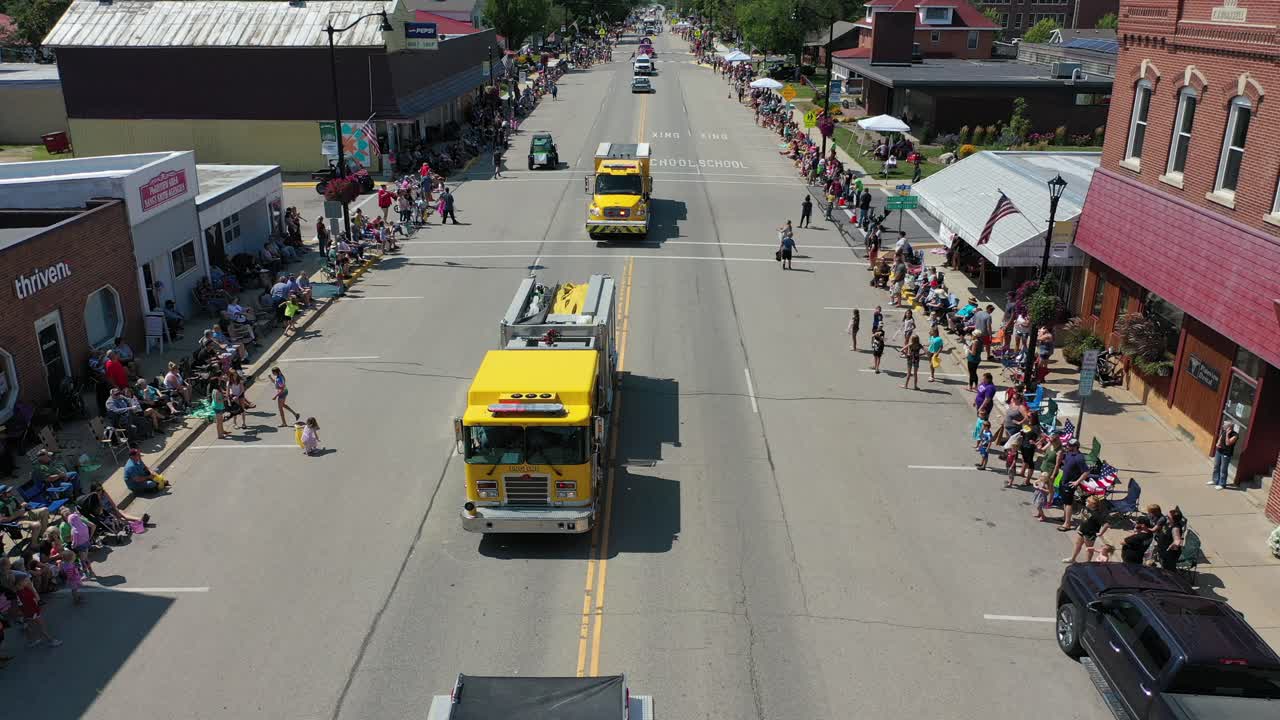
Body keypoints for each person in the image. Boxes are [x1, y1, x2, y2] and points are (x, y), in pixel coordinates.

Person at [1057, 438, 1090, 531]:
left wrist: (1077, 482)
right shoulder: (1068, 453)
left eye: (1070, 446)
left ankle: (1067, 524)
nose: (1068, 446)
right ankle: (1064, 518)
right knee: (1064, 501)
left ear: (1076, 447)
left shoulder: (1079, 458)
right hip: (1063, 480)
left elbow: (1086, 472)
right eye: (1068, 445)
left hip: (1070, 483)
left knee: (1068, 503)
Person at [1064, 496, 1108, 563]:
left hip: (1090, 534)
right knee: (1077, 544)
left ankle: (1088, 563)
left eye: (1087, 501)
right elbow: (1084, 518)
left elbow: (1106, 525)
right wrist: (1080, 525)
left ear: (1093, 504)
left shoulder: (1097, 515)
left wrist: (1101, 533)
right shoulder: (1086, 508)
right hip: (1082, 530)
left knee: (1089, 549)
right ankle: (1073, 559)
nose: (1085, 502)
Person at [1210, 420, 1238, 490]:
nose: (1223, 426)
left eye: (1224, 425)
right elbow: (1220, 438)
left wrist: (1227, 434)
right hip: (1219, 451)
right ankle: (1215, 480)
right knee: (1216, 466)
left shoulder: (1235, 435)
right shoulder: (1224, 431)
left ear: (1229, 427)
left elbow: (1228, 443)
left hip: (1226, 454)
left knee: (1223, 469)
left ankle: (1222, 484)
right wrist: (1218, 444)